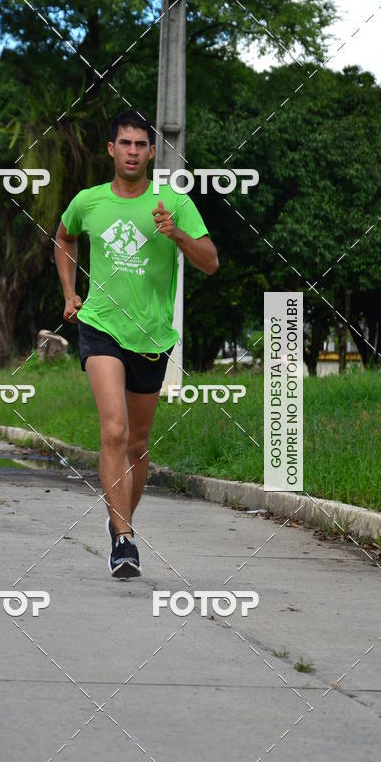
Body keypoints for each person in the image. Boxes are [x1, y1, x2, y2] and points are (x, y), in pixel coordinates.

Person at [55, 109, 219, 578]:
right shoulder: (89, 201)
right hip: (101, 325)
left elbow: (210, 262)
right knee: (114, 431)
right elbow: (63, 239)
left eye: (140, 145)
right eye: (123, 143)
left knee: (139, 444)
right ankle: (124, 540)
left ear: (151, 151)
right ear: (111, 149)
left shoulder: (174, 203)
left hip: (151, 335)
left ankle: (118, 521)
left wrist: (177, 234)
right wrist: (70, 292)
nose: (132, 151)